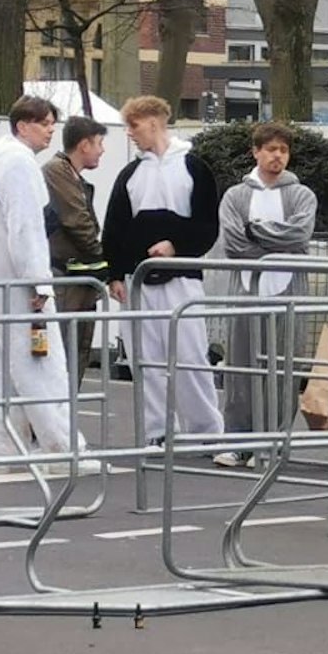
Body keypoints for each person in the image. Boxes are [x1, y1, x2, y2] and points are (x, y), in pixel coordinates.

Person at [103, 95, 223, 447]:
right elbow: (115, 227)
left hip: (182, 278)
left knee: (190, 356)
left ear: (154, 122)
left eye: (134, 125)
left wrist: (176, 245)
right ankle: (156, 431)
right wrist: (114, 273)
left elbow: (206, 224)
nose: (129, 133)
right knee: (147, 360)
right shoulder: (131, 174)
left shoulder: (194, 168)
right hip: (138, 282)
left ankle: (206, 430)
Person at [0, 96, 82, 470]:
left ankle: (6, 450)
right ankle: (62, 450)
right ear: (23, 126)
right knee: (41, 368)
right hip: (20, 287)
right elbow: (26, 231)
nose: (51, 129)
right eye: (45, 123)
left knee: (2, 373)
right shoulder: (19, 165)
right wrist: (40, 284)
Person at [212, 122, 317, 469]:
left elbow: (299, 237)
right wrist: (274, 245)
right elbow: (234, 244)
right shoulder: (236, 196)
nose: (277, 156)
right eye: (271, 149)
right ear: (256, 152)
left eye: (283, 150)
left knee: (285, 366)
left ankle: (274, 438)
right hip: (246, 291)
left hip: (287, 292)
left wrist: (255, 231)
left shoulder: (300, 194)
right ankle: (238, 439)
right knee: (241, 365)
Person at [43, 115, 110, 392]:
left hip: (79, 278)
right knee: (63, 352)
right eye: (99, 143)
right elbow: (78, 222)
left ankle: (63, 419)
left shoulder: (71, 176)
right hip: (66, 278)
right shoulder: (57, 172)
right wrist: (105, 262)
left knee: (77, 350)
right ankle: (51, 422)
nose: (102, 150)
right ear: (84, 144)